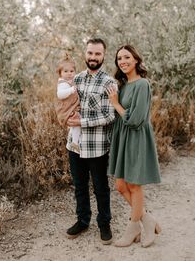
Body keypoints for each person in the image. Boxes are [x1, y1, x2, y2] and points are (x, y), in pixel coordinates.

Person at [107, 45, 161, 248]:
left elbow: (136, 119)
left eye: (127, 57)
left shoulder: (142, 84)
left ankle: (132, 228)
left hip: (137, 137)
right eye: (119, 58)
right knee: (121, 186)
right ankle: (147, 221)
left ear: (136, 60)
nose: (122, 61)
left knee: (134, 185)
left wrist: (115, 104)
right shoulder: (122, 85)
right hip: (123, 137)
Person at [66, 38, 117, 245]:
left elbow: (109, 116)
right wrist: (66, 117)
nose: (93, 57)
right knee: (79, 186)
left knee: (100, 187)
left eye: (97, 54)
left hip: (97, 145)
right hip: (75, 144)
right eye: (90, 53)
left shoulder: (109, 83)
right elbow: (66, 104)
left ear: (104, 55)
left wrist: (82, 122)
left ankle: (104, 223)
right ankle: (83, 220)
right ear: (85, 53)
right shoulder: (76, 79)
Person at [55, 56, 81, 151]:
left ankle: (75, 141)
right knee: (77, 122)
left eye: (71, 71)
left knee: (77, 123)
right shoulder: (62, 83)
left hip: (71, 108)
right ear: (60, 73)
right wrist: (71, 90)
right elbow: (60, 95)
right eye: (66, 71)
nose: (69, 73)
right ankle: (74, 142)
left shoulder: (71, 81)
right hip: (66, 109)